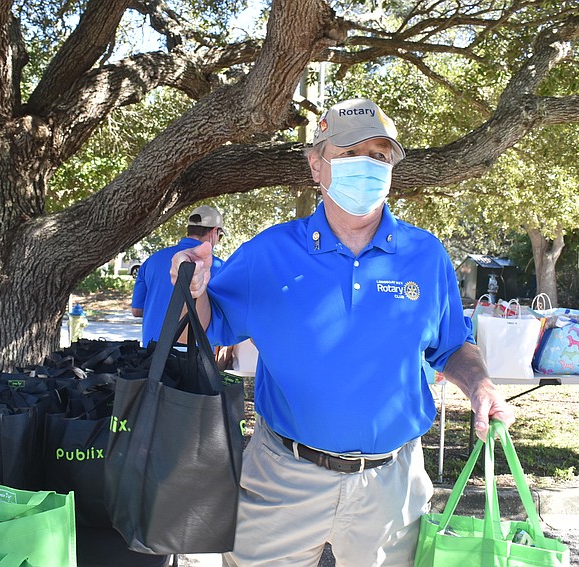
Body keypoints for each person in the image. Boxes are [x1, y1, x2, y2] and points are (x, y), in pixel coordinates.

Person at [170, 97, 516, 566]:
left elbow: (451, 345)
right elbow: (203, 334)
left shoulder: (426, 255)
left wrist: (480, 385)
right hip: (282, 476)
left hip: (390, 485)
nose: (367, 166)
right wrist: (192, 293)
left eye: (379, 155)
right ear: (316, 164)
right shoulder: (269, 252)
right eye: (350, 153)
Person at [132, 204, 226, 346]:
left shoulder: (151, 261)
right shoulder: (219, 268)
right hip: (192, 358)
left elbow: (137, 310)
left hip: (151, 355)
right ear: (214, 232)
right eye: (220, 236)